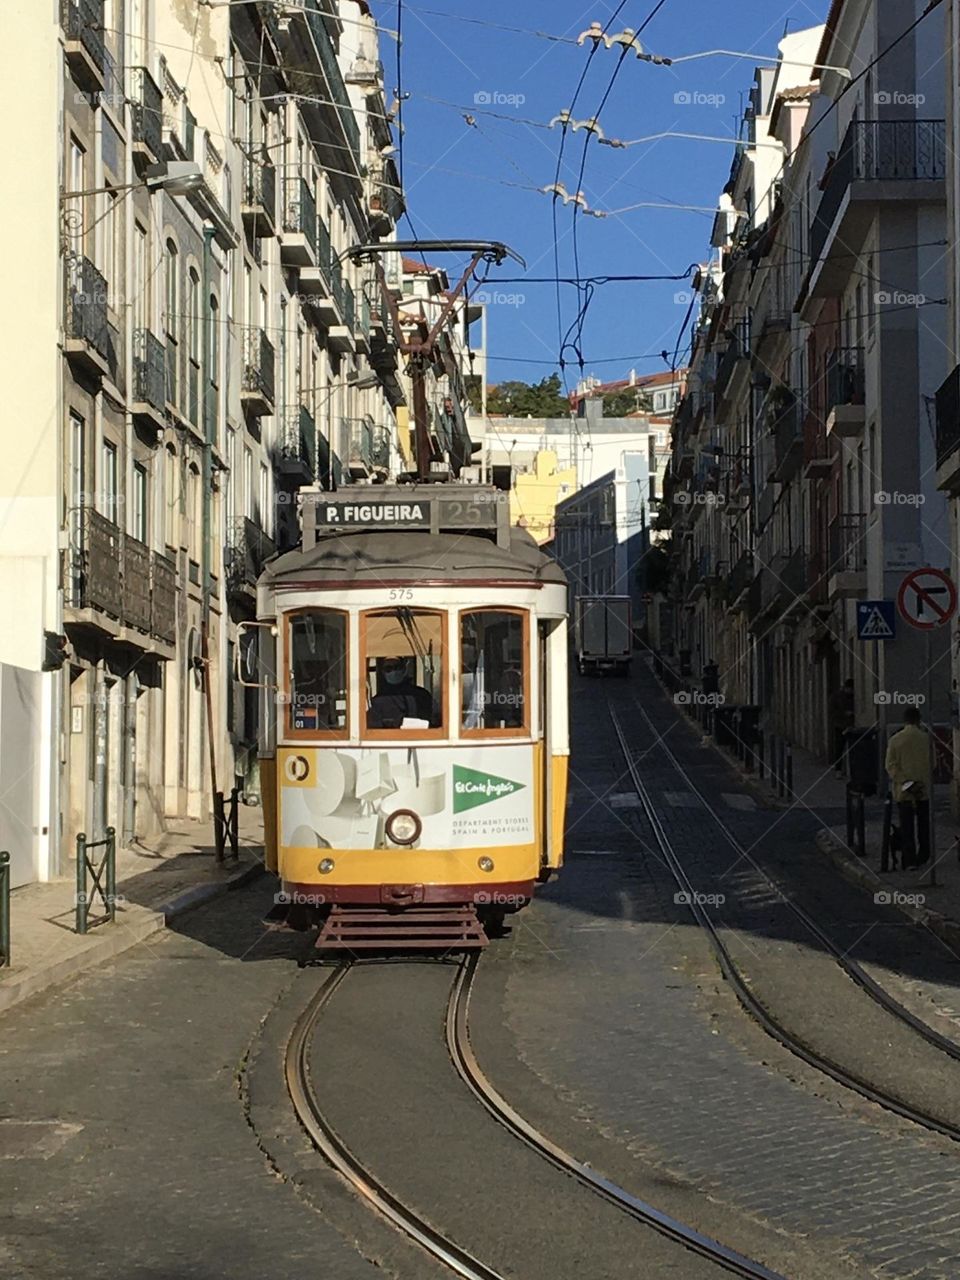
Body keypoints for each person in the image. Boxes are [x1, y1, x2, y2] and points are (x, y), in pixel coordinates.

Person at [885, 706, 932, 869]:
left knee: (907, 826)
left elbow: (890, 766)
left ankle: (909, 858)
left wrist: (906, 782)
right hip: (923, 789)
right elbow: (933, 763)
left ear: (905, 720)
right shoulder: (926, 738)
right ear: (919, 720)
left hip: (904, 791)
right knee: (924, 825)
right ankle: (924, 854)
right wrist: (920, 781)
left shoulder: (896, 740)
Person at [367, 656, 434, 728]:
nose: (393, 671)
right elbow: (374, 729)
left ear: (404, 669)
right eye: (388, 668)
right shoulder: (377, 702)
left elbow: (434, 719)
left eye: (397, 667)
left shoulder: (421, 696)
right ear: (383, 672)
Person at [829, 678, 856, 777]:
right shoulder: (836, 697)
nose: (851, 691)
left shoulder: (853, 697)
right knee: (839, 747)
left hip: (851, 725)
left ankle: (849, 769)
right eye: (850, 689)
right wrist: (844, 714)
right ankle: (838, 769)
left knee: (853, 747)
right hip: (840, 725)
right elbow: (832, 711)